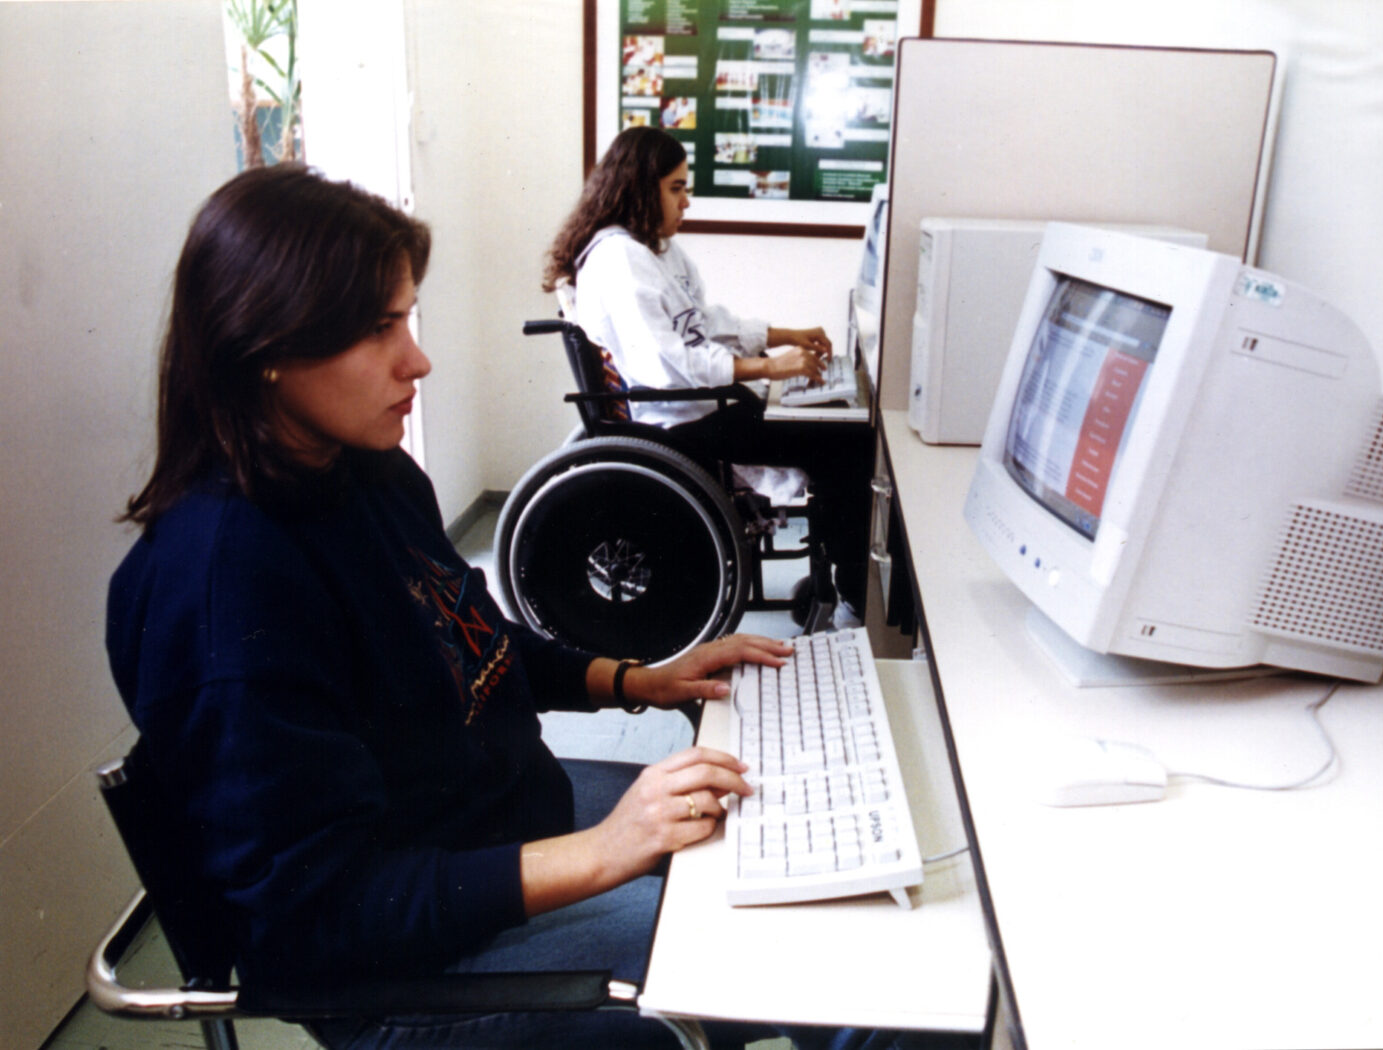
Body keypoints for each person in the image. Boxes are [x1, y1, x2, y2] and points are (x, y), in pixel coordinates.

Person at [106, 165, 955, 1050]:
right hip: (406, 975)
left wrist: (640, 679)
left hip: (499, 825)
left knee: (804, 858)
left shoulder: (364, 473)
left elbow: (467, 640)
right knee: (847, 962)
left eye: (408, 320)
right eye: (377, 330)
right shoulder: (222, 585)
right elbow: (323, 914)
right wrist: (603, 852)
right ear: (264, 348)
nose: (418, 360)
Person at [544, 126, 872, 615]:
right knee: (847, 442)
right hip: (677, 422)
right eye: (676, 189)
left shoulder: (652, 249)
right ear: (639, 187)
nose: (686, 202)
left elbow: (704, 324)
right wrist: (769, 368)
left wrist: (784, 335)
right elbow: (668, 364)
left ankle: (834, 581)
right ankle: (851, 596)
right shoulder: (619, 260)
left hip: (697, 408)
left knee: (833, 431)